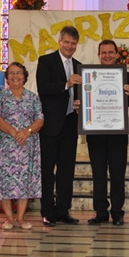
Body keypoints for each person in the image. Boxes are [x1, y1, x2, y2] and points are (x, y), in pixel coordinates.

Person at [86, 40, 129, 226]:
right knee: (98, 174)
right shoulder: (89, 76)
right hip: (95, 134)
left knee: (118, 175)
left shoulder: (127, 76)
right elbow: (84, 101)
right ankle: (100, 212)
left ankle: (117, 212)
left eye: (110, 52)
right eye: (103, 52)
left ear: (117, 54)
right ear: (99, 55)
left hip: (117, 134)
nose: (107, 55)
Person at [36, 26, 82, 227]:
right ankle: (47, 211)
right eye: (67, 42)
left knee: (66, 170)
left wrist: (81, 103)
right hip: (50, 125)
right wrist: (66, 84)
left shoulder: (80, 65)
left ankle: (63, 210)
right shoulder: (46, 61)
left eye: (73, 43)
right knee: (47, 170)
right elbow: (43, 88)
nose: (70, 46)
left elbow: (82, 92)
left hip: (71, 122)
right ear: (59, 41)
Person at [0, 62, 44, 230]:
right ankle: (9, 218)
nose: (15, 76)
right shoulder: (0, 97)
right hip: (6, 146)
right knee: (5, 181)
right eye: (12, 73)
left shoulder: (33, 97)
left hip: (26, 146)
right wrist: (14, 133)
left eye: (19, 73)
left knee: (24, 180)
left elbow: (40, 119)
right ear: (6, 78)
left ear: (25, 77)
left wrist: (27, 132)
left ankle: (20, 218)